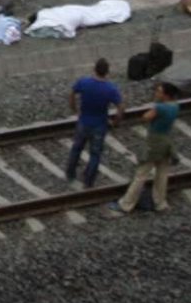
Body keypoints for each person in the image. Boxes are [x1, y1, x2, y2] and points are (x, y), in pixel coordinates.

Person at [111, 81, 182, 215]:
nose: (156, 93)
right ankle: (160, 203)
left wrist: (155, 104)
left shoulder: (160, 107)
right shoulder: (175, 106)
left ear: (166, 95)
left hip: (154, 143)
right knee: (162, 174)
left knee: (141, 174)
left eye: (159, 91)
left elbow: (146, 117)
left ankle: (126, 204)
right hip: (167, 142)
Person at [66, 58, 123, 186]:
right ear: (107, 72)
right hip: (100, 125)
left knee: (76, 149)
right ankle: (88, 181)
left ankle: (70, 174)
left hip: (83, 121)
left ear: (94, 69)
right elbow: (121, 107)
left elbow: (72, 93)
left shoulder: (84, 82)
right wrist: (116, 122)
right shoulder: (110, 89)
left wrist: (75, 109)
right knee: (95, 154)